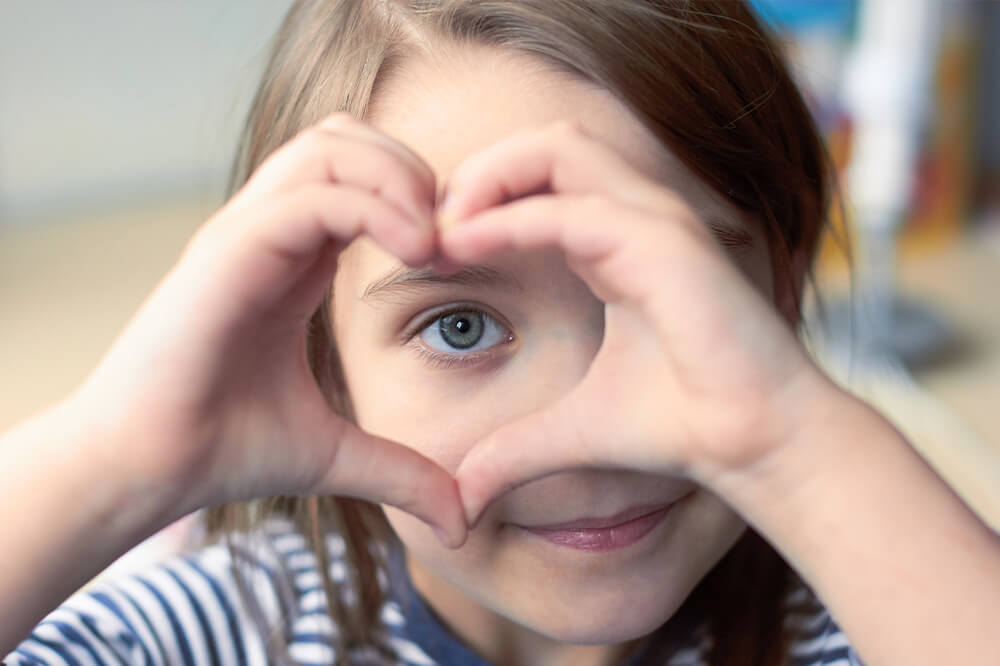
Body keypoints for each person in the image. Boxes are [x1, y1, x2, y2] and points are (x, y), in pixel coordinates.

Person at [3, 1, 998, 664]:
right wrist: (112, 461)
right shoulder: (227, 631)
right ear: (327, 368)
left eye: (666, 293)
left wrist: (792, 443)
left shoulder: (888, 606)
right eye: (461, 324)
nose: (589, 422)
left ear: (780, 292)